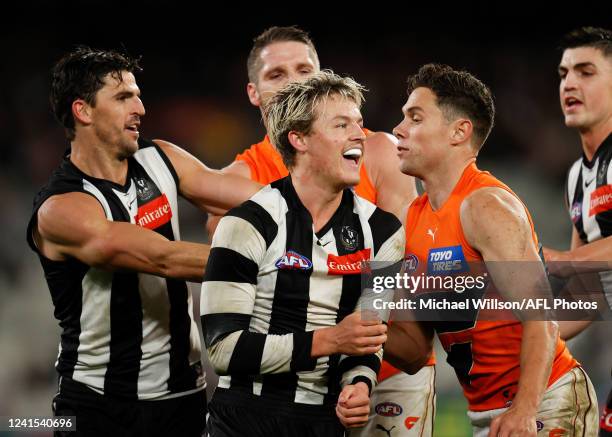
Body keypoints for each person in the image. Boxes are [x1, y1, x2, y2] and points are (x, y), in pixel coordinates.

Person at [206, 26, 435, 436]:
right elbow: (225, 345)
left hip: (343, 403)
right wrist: (333, 339)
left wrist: (359, 381)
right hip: (247, 414)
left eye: (357, 124)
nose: (356, 136)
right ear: (299, 138)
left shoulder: (380, 225)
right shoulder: (245, 216)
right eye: (278, 74)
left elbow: (375, 329)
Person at [26, 46, 261, 436]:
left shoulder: (161, 157)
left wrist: (341, 209)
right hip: (100, 408)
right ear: (82, 111)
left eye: (137, 95)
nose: (141, 108)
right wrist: (275, 261)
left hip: (185, 395)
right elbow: (163, 259)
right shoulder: (61, 209)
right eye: (123, 98)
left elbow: (260, 202)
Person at [388, 63, 597, 436]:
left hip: (543, 402)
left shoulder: (484, 205)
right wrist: (345, 323)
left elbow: (541, 318)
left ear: (459, 131)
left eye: (415, 118)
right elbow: (413, 350)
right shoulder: (413, 219)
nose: (398, 129)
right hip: (489, 413)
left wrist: (524, 410)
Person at [543, 26, 612, 436]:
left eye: (585, 71)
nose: (569, 82)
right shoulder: (577, 179)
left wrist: (563, 259)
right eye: (563, 73)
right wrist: (522, 330)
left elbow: (571, 265)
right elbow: (588, 295)